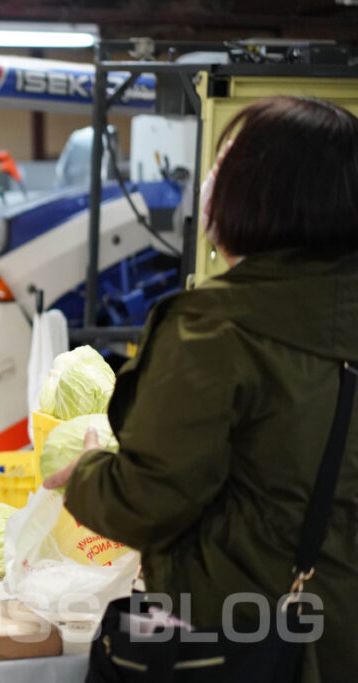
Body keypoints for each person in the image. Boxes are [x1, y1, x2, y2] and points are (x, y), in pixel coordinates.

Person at [46, 96, 358, 683]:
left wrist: (87, 472)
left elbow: (150, 500)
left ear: (256, 193)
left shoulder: (211, 326)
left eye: (225, 164)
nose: (210, 180)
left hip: (245, 633)